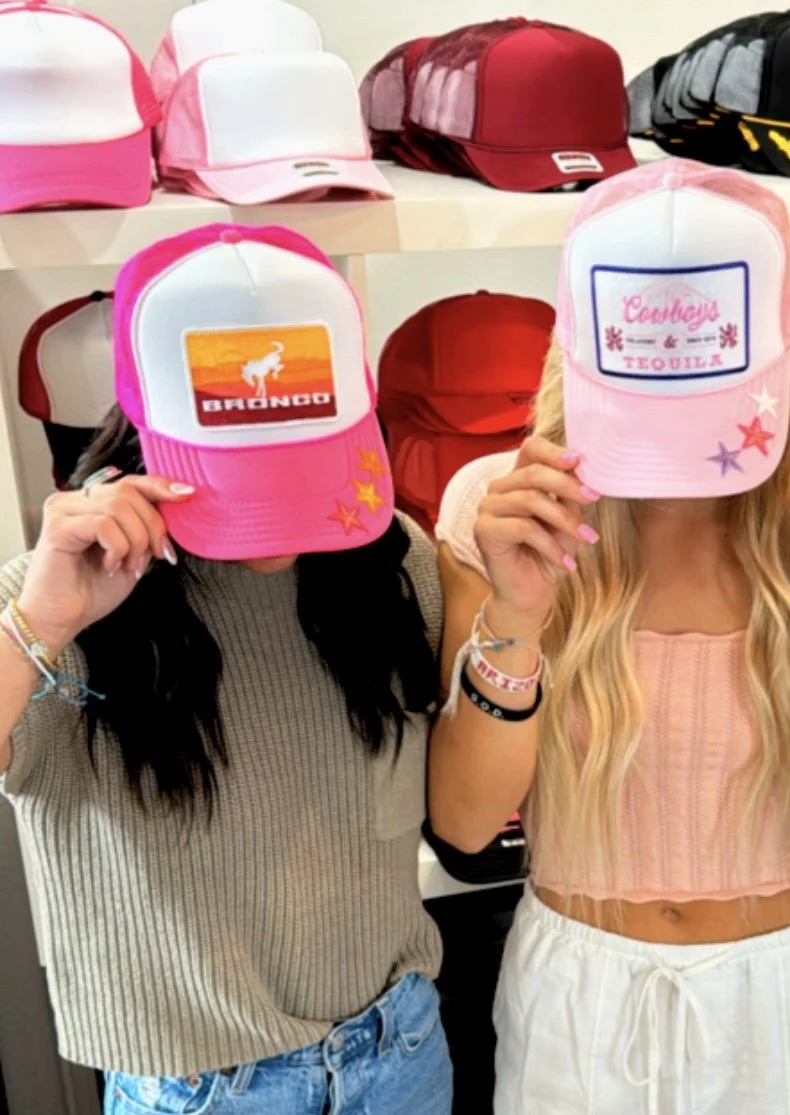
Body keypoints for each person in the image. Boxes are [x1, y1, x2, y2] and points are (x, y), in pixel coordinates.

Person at [429, 158, 790, 1114]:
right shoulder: (498, 511)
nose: (676, 467)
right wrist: (518, 616)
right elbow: (464, 822)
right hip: (577, 994)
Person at [0, 224, 452, 1115]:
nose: (276, 528)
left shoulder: (394, 562)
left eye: (304, 474)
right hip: (205, 1089)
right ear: (144, 428)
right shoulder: (67, 593)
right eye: (245, 481)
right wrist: (39, 623)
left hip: (400, 1049)